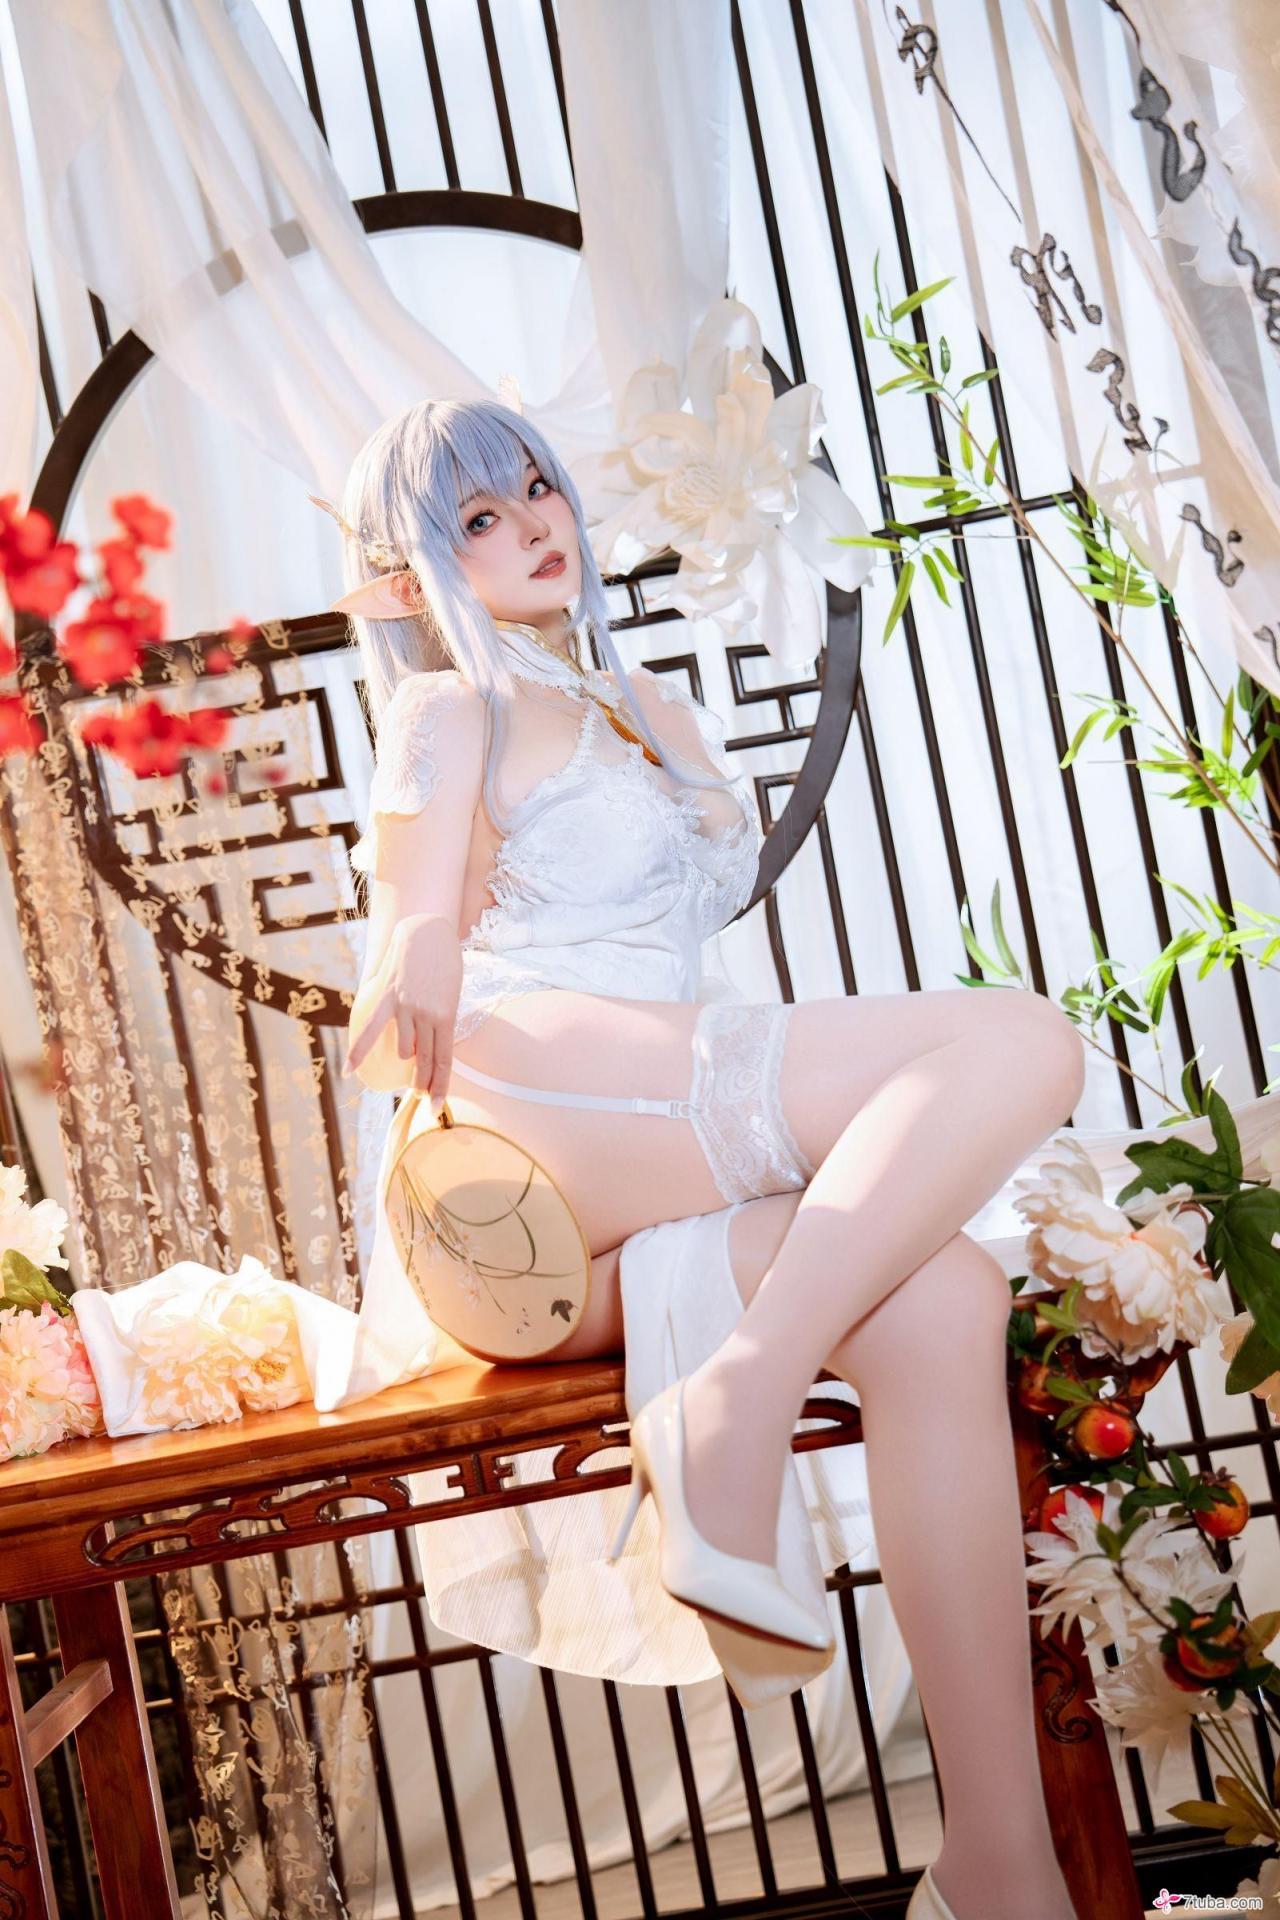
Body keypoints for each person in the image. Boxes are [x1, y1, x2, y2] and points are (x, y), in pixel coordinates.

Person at [334, 396, 1084, 1920]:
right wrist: (414, 951)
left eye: (536, 487)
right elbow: (405, 959)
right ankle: (741, 1400)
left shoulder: (645, 702)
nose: (532, 524)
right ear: (413, 575)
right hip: (522, 1144)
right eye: (477, 518)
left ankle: (1000, 1868)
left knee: (946, 1295)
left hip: (637, 1128)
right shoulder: (451, 711)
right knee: (1021, 1040)